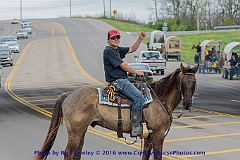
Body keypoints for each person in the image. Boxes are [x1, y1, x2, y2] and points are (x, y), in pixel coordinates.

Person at [103, 29, 151, 137]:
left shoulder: (117, 49)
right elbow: (124, 66)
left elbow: (132, 49)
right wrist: (137, 72)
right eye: (113, 38)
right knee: (139, 97)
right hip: (118, 82)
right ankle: (136, 127)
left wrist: (140, 39)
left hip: (122, 80)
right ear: (108, 40)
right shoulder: (109, 51)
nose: (116, 39)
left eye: (118, 37)